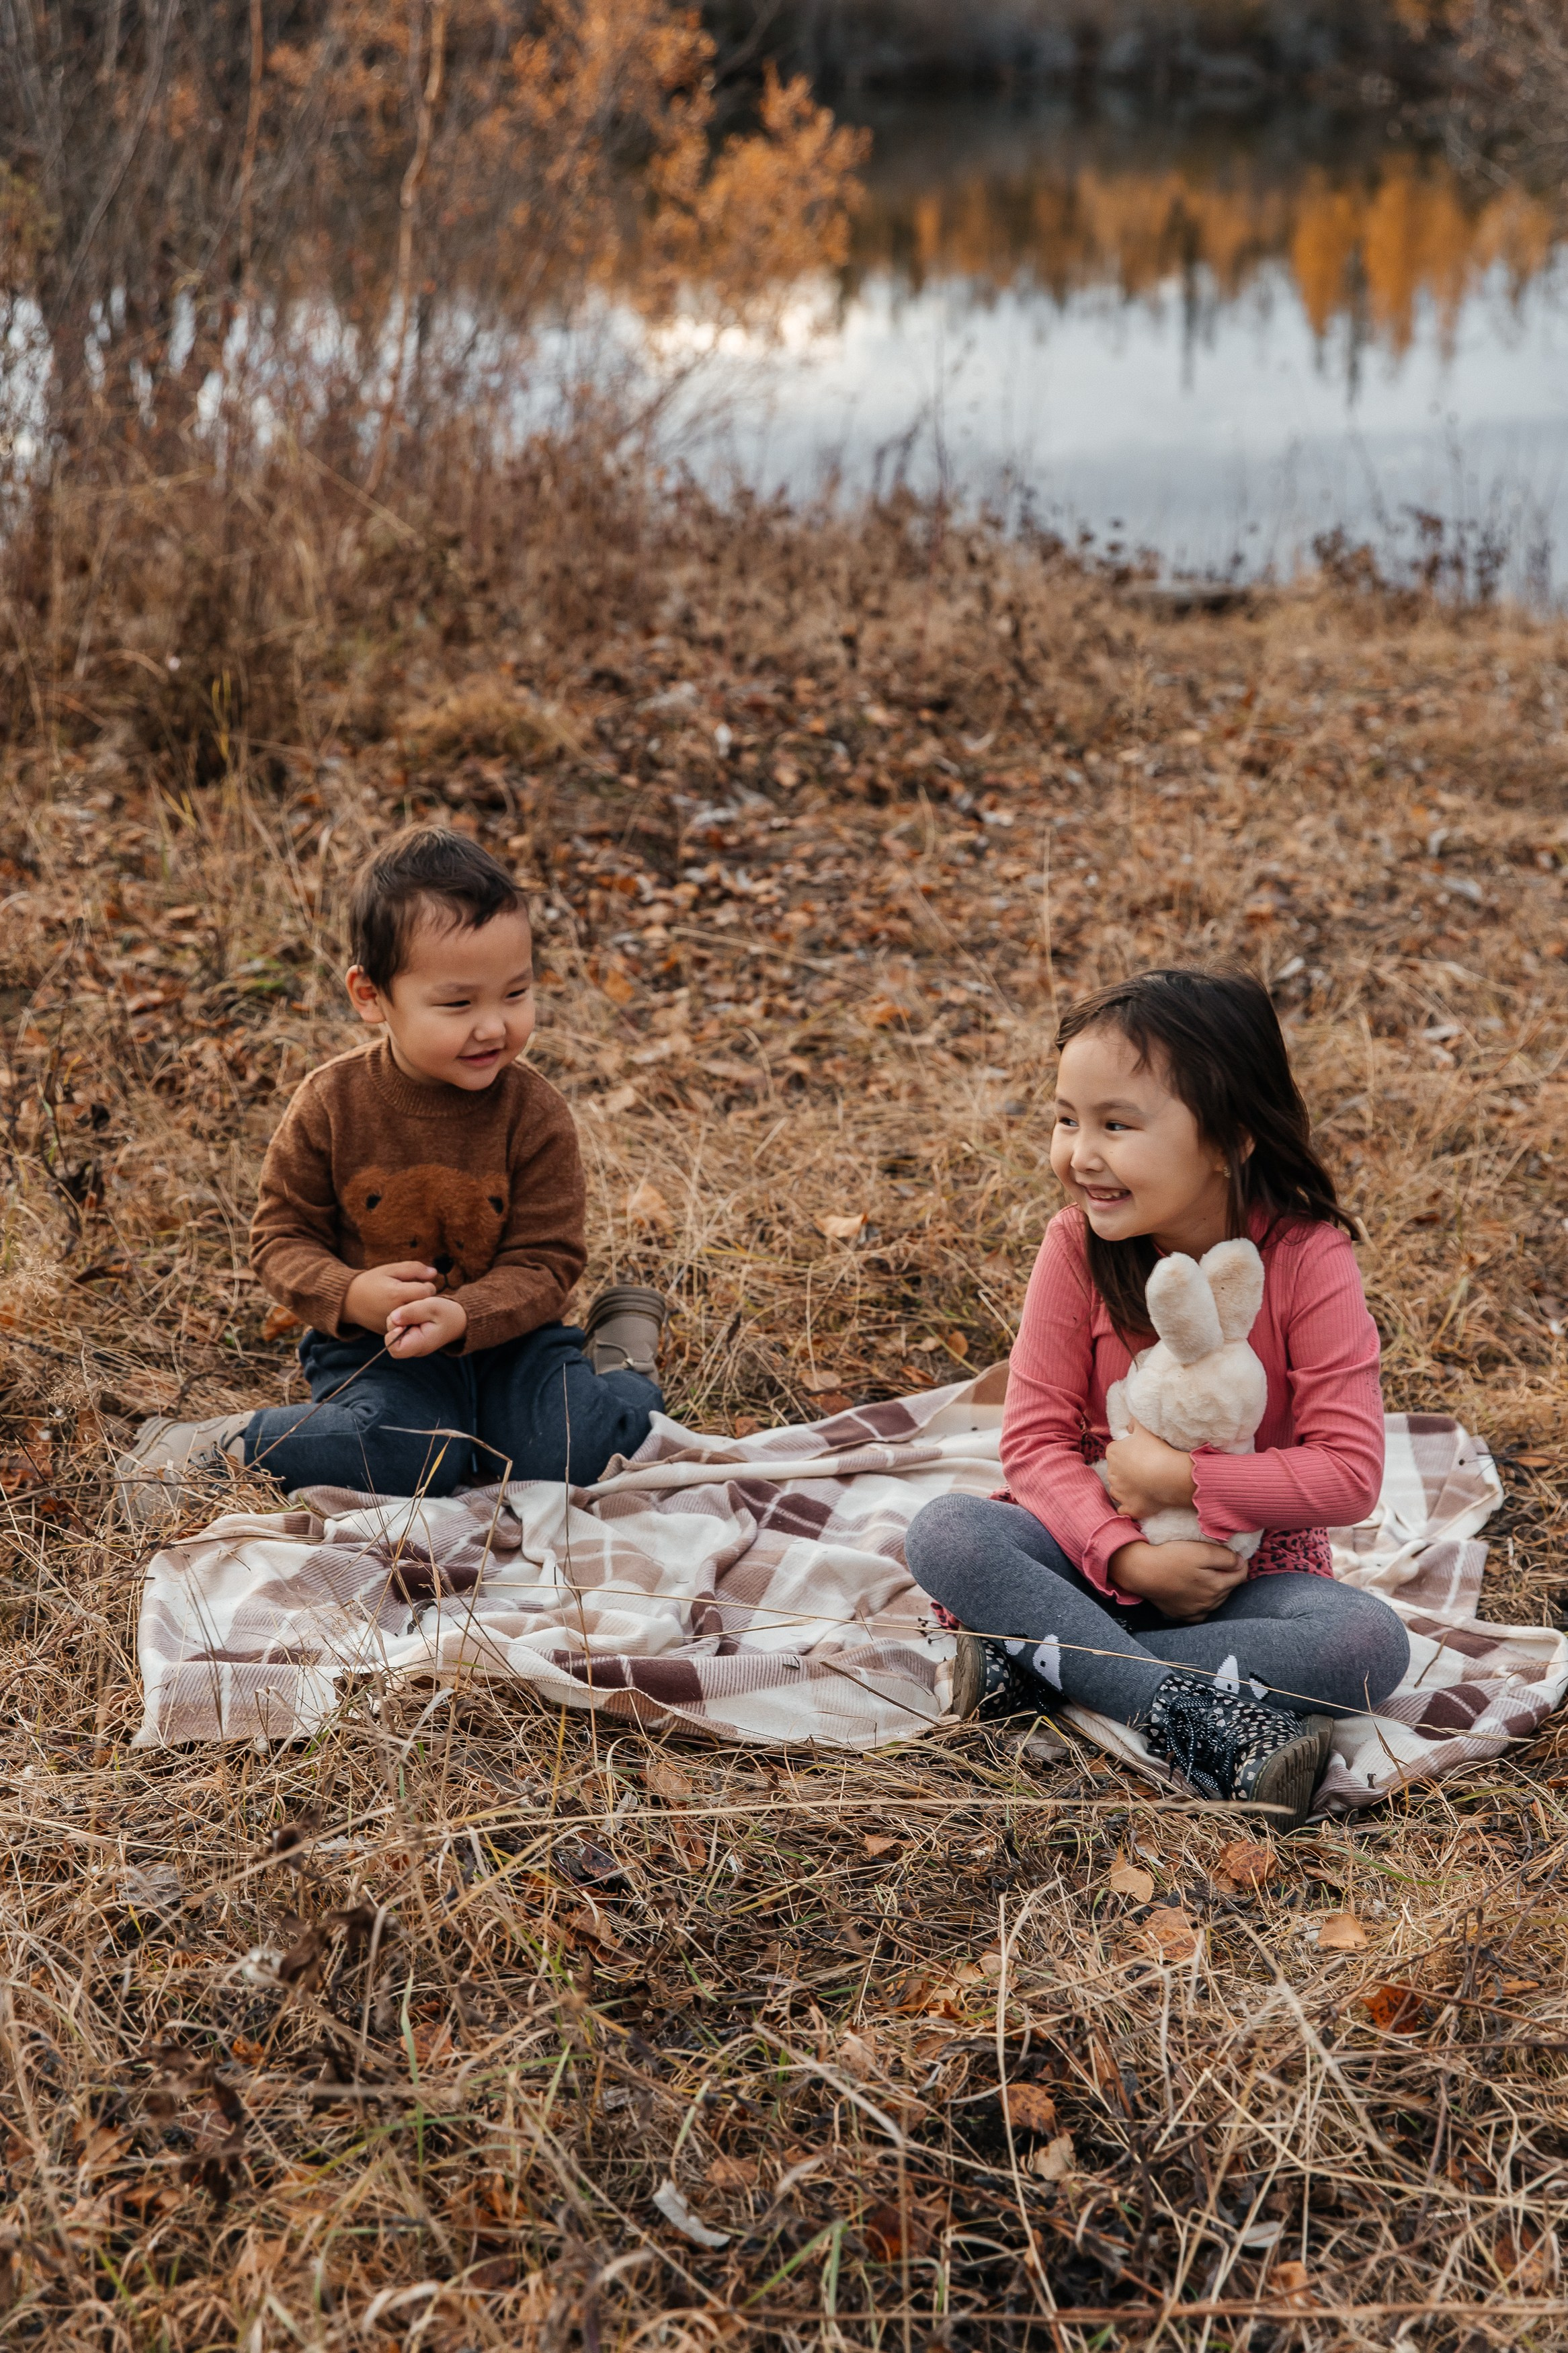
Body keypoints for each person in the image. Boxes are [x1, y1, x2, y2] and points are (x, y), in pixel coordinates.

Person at [905, 966, 1409, 1829]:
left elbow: (1349, 1474)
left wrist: (1183, 1482)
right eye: (1066, 1119)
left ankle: (1031, 1663)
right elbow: (1031, 1446)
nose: (1079, 1153)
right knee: (946, 1530)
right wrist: (1124, 1556)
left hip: (1240, 1575)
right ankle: (1180, 1708)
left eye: (1115, 1124)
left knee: (1366, 1643)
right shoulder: (1074, 1247)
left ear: (1229, 1136)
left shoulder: (1307, 1259)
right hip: (1085, 1550)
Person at [118, 826, 667, 1520]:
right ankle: (208, 1446)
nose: (494, 1026)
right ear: (371, 995)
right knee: (414, 1455)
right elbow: (279, 1237)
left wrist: (466, 1311)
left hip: (511, 1336)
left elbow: (547, 1258)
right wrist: (351, 1293)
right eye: (458, 1003)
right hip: (381, 1345)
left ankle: (621, 1366)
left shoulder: (533, 1112)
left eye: (516, 992)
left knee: (569, 1453)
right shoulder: (332, 1104)